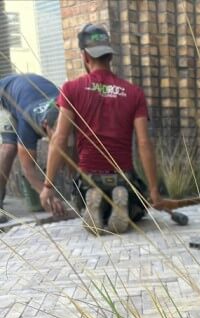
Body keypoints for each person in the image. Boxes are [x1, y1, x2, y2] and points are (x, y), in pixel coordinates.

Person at [41, 23, 170, 235]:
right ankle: (123, 204)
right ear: (110, 57)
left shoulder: (71, 89)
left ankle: (95, 202)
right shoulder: (134, 92)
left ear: (85, 56)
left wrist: (47, 186)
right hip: (123, 175)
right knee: (139, 206)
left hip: (89, 175)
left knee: (84, 197)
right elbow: (144, 143)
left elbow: (60, 139)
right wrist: (154, 191)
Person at [0, 73, 63, 222]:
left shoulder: (66, 109)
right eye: (54, 134)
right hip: (5, 94)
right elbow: (28, 169)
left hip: (29, 91)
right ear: (45, 125)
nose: (57, 138)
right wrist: (47, 194)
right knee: (9, 148)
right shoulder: (27, 122)